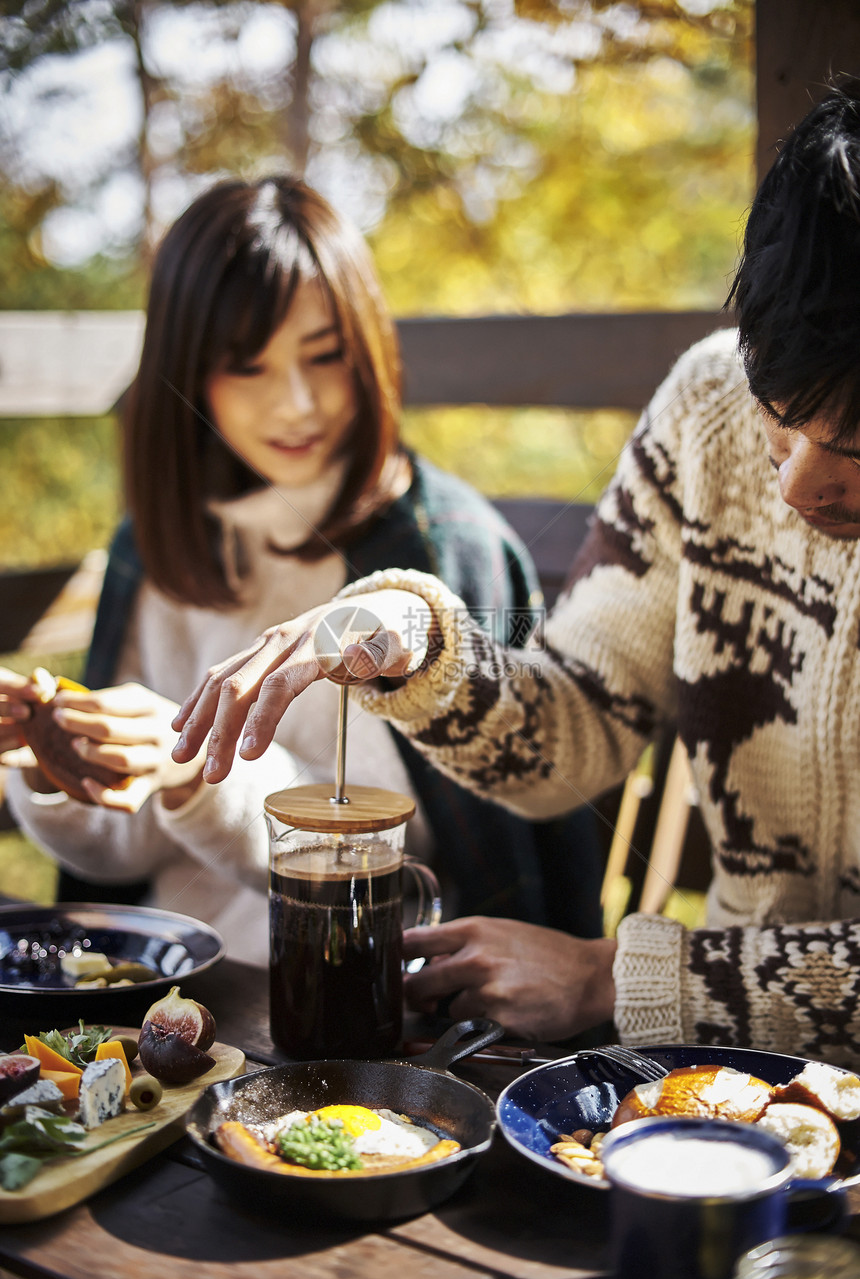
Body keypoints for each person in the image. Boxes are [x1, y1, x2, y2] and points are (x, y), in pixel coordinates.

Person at [171, 81, 860, 1068]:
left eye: (854, 445)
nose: (794, 481)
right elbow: (572, 730)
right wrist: (413, 645)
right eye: (778, 414)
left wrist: (616, 977)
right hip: (721, 1079)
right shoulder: (705, 406)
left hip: (707, 1037)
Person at [0, 176, 604, 965]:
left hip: (356, 981)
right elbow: (117, 860)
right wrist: (58, 766)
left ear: (370, 352)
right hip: (161, 977)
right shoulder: (152, 546)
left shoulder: (438, 552)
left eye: (325, 357)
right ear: (183, 371)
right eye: (247, 367)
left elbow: (409, 852)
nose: (297, 404)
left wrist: (193, 776)